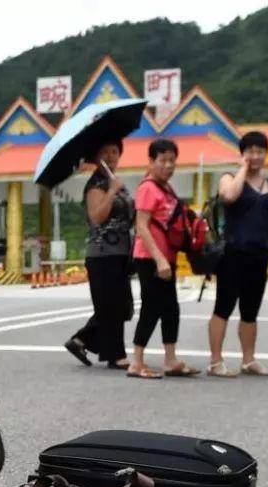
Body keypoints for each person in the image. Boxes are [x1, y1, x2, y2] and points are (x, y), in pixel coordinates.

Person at [207, 131, 268, 377]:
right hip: (234, 253)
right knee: (223, 307)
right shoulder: (229, 178)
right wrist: (243, 169)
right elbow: (229, 196)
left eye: (260, 151)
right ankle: (215, 361)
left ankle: (248, 359)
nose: (255, 156)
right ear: (242, 154)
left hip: (260, 253)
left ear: (267, 154)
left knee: (250, 310)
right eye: (250, 151)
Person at [127, 139, 200, 379]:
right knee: (152, 307)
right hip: (150, 257)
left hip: (166, 257)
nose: (168, 166)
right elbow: (142, 226)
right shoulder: (148, 188)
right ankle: (136, 361)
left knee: (171, 308)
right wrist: (159, 259)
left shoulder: (166, 188)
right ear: (151, 162)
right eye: (163, 161)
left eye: (172, 161)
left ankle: (170, 360)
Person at [65, 140, 133, 370]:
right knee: (110, 305)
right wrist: (112, 191)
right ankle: (115, 355)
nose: (112, 156)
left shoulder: (117, 183)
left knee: (120, 305)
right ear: (96, 157)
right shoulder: (97, 184)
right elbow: (97, 216)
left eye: (115, 152)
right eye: (105, 152)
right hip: (102, 253)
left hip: (122, 251)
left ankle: (82, 340)